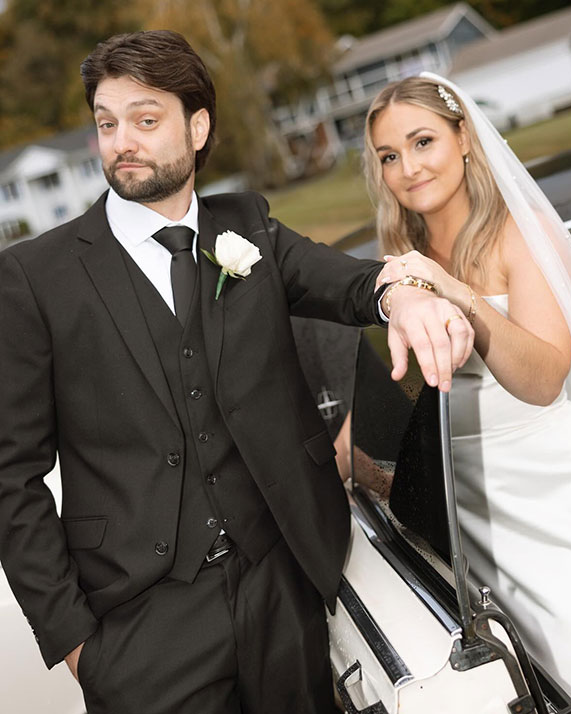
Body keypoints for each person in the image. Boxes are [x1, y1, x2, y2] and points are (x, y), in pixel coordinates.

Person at [0, 33, 473, 714]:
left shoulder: (245, 228)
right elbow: (10, 475)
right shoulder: (34, 276)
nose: (120, 141)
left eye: (145, 119)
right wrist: (78, 645)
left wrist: (401, 295)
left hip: (283, 587)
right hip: (140, 627)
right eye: (106, 123)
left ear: (197, 128)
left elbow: (347, 283)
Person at [362, 74, 571, 714]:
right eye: (388, 156)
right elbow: (418, 390)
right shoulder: (402, 259)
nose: (407, 168)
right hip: (473, 524)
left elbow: (542, 381)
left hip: (561, 507)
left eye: (423, 141)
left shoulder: (525, 234)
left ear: (464, 138)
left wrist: (454, 291)